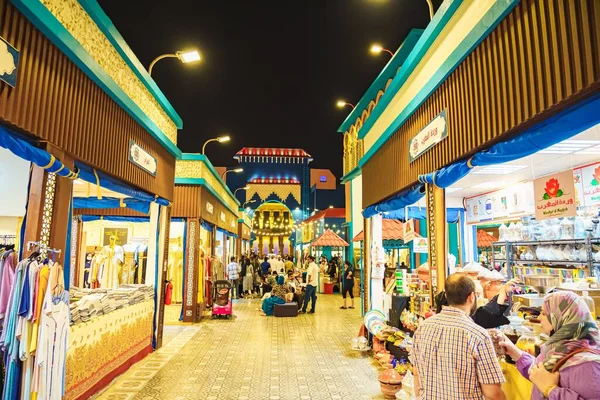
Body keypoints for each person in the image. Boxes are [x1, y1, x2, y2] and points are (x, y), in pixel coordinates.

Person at [412, 274, 505, 400]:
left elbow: (416, 374)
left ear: (446, 296)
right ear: (471, 297)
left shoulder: (423, 327)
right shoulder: (478, 336)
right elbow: (493, 394)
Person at [500, 291, 600, 399]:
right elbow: (539, 374)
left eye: (544, 313)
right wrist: (515, 353)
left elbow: (544, 381)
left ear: (560, 317)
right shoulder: (557, 349)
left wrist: (550, 389)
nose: (538, 318)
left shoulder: (588, 364)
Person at [435, 279, 519, 329]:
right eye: (477, 294)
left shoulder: (427, 325)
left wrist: (503, 290)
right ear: (471, 297)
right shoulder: (474, 330)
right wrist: (503, 290)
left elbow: (491, 310)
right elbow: (491, 311)